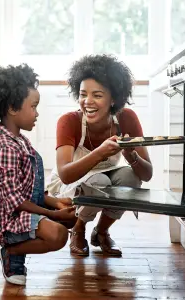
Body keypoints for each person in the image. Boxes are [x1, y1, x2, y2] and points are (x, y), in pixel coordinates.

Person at [0, 64, 77, 286]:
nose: (37, 112)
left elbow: (29, 188)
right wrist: (54, 216)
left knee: (71, 218)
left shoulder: (19, 141)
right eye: (33, 106)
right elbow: (16, 201)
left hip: (22, 208)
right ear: (12, 107)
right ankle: (11, 253)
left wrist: (56, 203)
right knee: (58, 235)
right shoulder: (6, 149)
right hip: (7, 220)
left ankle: (18, 252)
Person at [46, 54, 153, 257]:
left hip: (108, 174)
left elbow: (147, 174)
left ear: (113, 99)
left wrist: (131, 156)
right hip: (71, 181)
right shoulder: (68, 121)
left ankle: (101, 232)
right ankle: (78, 230)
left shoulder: (126, 118)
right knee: (99, 179)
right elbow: (66, 174)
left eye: (97, 95)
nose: (87, 102)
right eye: (82, 94)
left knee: (130, 177)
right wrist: (100, 152)